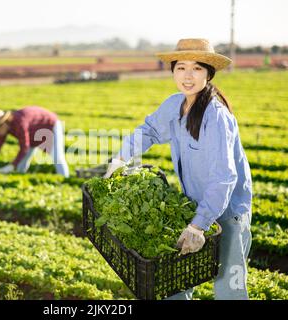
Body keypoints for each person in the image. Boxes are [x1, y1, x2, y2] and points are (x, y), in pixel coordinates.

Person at [104, 39, 252, 300]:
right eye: (181, 68)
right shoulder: (175, 105)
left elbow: (223, 178)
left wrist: (198, 226)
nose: (187, 76)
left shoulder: (216, 116)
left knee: (230, 287)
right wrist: (121, 158)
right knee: (176, 282)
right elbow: (149, 130)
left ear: (208, 73)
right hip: (193, 207)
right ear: (172, 71)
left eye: (196, 68)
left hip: (227, 214)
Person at [0, 106, 69, 177]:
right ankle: (19, 176)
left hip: (50, 126)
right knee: (21, 165)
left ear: (3, 123)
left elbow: (25, 147)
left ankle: (65, 178)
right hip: (33, 134)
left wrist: (12, 165)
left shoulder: (20, 123)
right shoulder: (7, 126)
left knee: (57, 157)